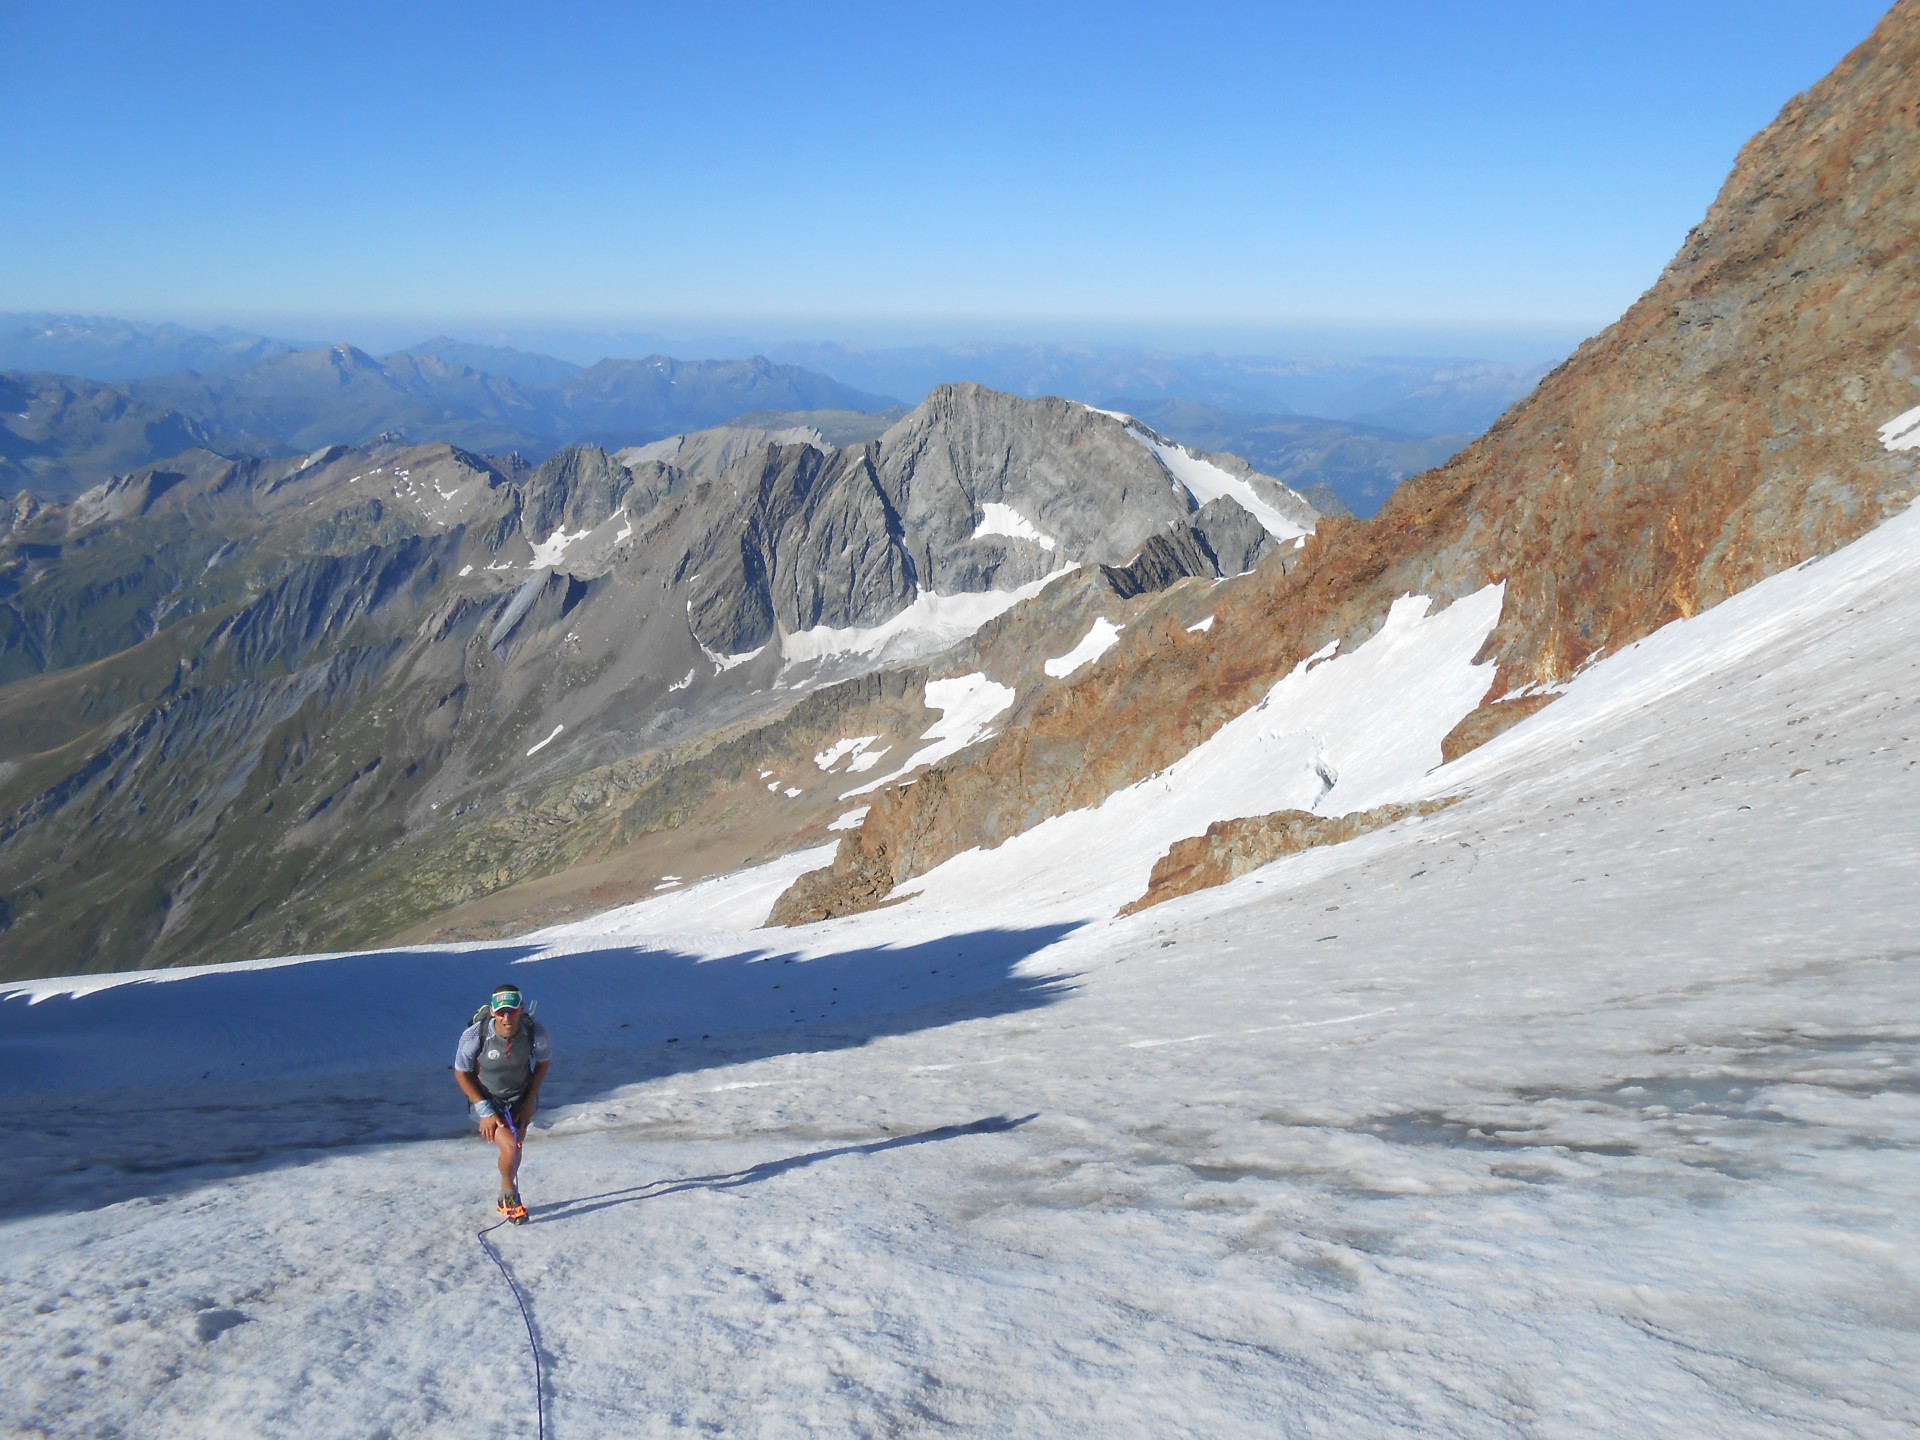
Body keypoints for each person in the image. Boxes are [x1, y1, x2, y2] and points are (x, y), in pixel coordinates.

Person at [454, 983, 551, 1222]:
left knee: (515, 1148)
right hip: (487, 1098)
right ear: (492, 1011)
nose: (507, 1017)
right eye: (501, 1012)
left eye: (513, 1011)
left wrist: (529, 1101)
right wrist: (485, 1110)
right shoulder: (475, 1035)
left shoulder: (534, 1032)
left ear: (522, 1009)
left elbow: (543, 1064)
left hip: (521, 1096)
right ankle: (510, 1196)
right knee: (511, 1146)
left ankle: (504, 1195)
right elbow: (461, 1072)